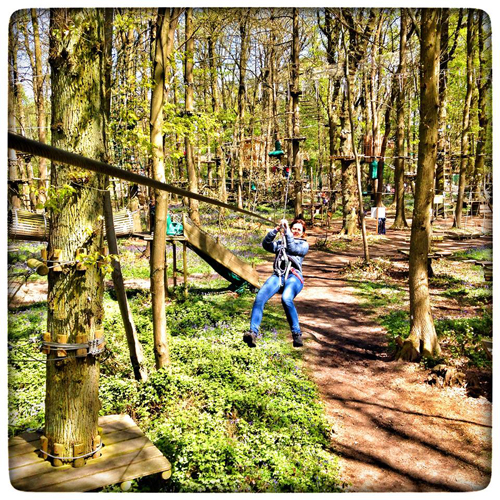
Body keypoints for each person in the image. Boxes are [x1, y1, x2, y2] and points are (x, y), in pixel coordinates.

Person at [244, 218, 309, 348]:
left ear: (302, 233)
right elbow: (266, 245)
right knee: (260, 298)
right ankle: (253, 333)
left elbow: (292, 248)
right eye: (294, 228)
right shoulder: (281, 243)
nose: (296, 231)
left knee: (286, 298)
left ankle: (296, 334)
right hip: (278, 275)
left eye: (299, 230)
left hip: (294, 277)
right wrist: (275, 230)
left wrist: (287, 231)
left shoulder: (303, 245)